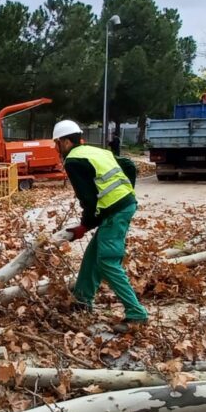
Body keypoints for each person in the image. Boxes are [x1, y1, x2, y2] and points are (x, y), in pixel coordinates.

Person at [52, 119, 148, 332]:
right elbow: (129, 166)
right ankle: (82, 300)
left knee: (107, 260)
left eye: (56, 143)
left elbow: (88, 199)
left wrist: (84, 225)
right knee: (92, 255)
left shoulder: (73, 161)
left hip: (116, 211)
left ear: (66, 142)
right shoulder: (97, 151)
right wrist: (126, 193)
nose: (56, 148)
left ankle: (136, 314)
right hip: (121, 205)